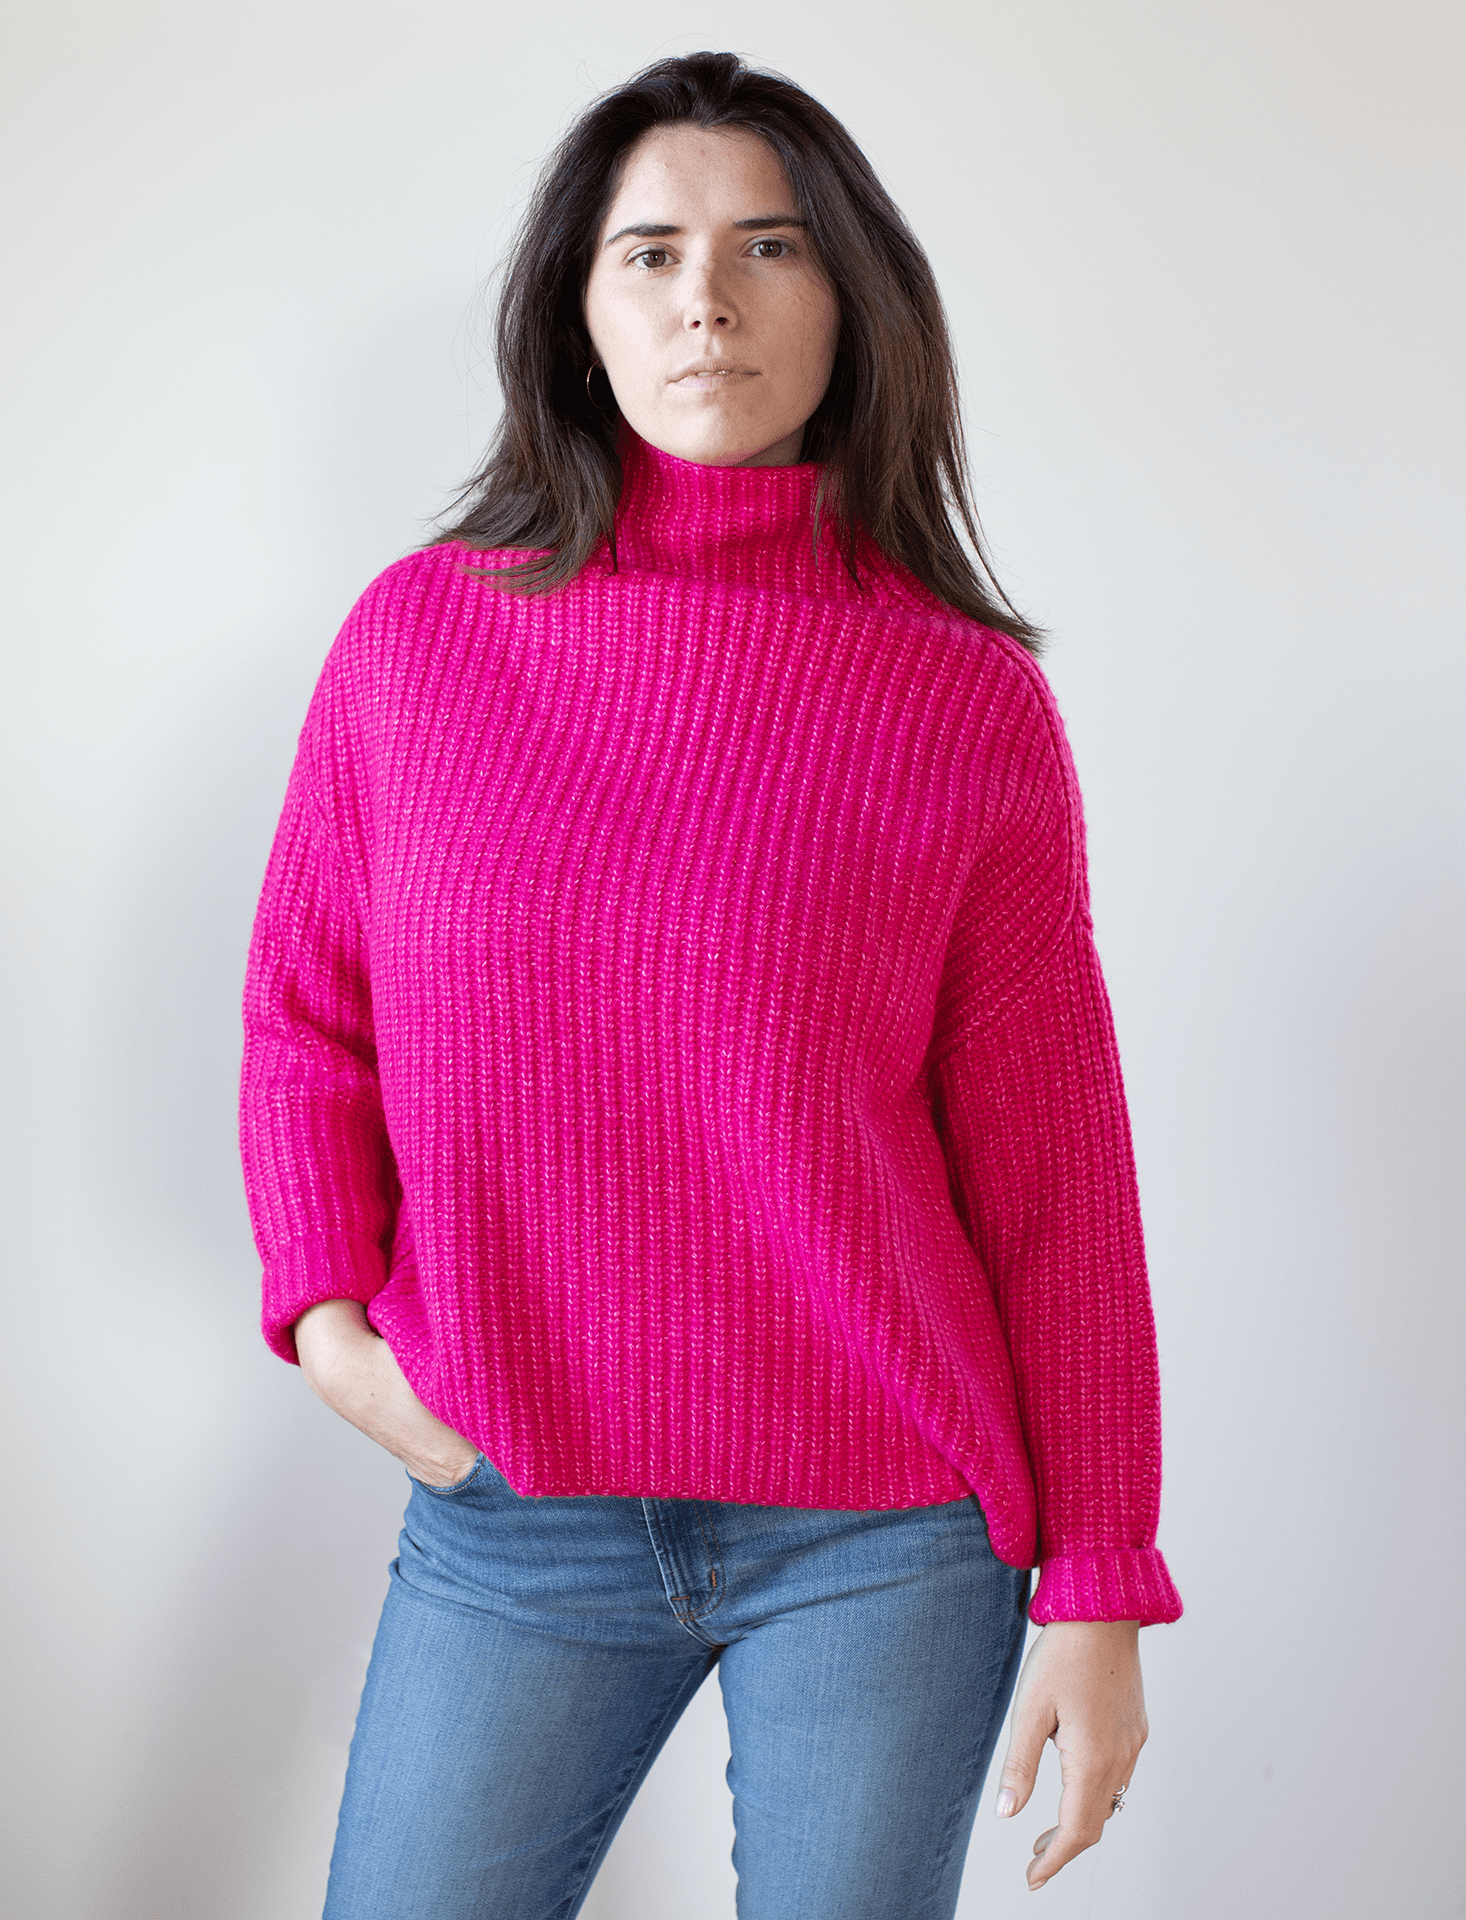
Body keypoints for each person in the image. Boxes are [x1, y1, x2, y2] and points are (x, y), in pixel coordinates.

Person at [240, 49, 1183, 1920]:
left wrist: (1099, 1579)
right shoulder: (420, 643)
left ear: (851, 295)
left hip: (882, 1532)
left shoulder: (964, 700)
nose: (707, 301)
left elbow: (1054, 1170)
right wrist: (329, 1315)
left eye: (769, 246)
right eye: (650, 253)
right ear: (578, 312)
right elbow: (306, 1016)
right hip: (515, 1509)